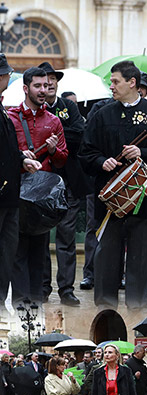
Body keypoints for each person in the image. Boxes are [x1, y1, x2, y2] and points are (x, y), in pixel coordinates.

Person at [79, 60, 147, 308]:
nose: (111, 86)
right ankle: (105, 313)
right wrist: (103, 161)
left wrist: (143, 152)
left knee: (140, 260)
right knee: (106, 261)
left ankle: (137, 312)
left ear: (132, 83)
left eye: (115, 81)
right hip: (109, 203)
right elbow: (85, 152)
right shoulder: (101, 115)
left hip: (143, 200)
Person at [8, 66, 68, 303]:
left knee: (39, 253)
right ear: (26, 88)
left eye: (46, 86)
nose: (44, 90)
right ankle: (22, 307)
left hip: (43, 201)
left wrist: (54, 150)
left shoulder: (53, 121)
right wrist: (20, 156)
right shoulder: (10, 117)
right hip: (15, 194)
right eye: (38, 86)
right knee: (17, 252)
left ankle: (37, 305)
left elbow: (63, 160)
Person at [39, 61, 85, 307]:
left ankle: (66, 288)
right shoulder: (32, 112)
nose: (48, 85)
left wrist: (56, 137)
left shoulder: (69, 107)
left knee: (66, 238)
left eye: (52, 81)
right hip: (40, 184)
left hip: (68, 182)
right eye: (43, 83)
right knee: (42, 237)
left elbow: (79, 134)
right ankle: (43, 286)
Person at [0, 52, 29, 313]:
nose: (8, 76)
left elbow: (7, 148)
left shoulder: (2, 108)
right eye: (5, 73)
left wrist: (22, 158)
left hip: (9, 197)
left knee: (7, 254)